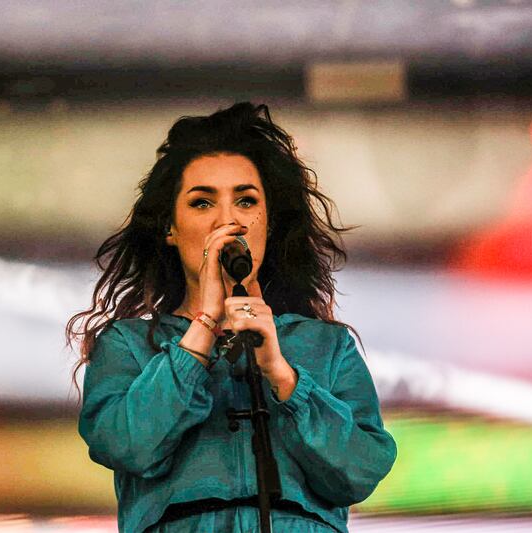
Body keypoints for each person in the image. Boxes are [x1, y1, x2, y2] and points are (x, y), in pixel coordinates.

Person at [66, 102, 397, 533]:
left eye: (246, 200)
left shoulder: (326, 345)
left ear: (268, 223)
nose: (228, 220)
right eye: (202, 203)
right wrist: (203, 327)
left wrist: (282, 375)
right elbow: (126, 446)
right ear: (170, 228)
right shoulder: (127, 345)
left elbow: (361, 470)